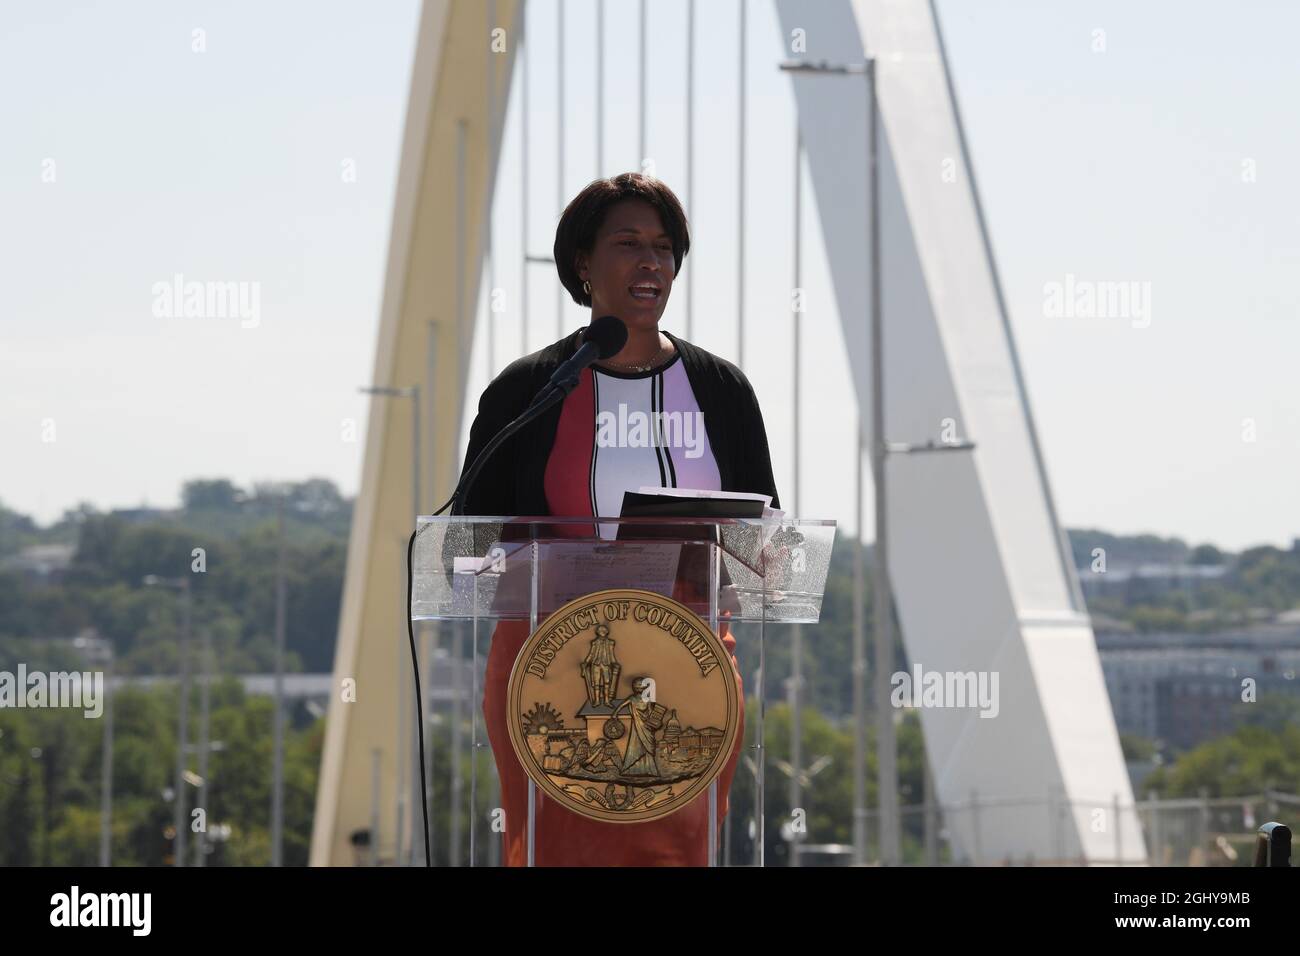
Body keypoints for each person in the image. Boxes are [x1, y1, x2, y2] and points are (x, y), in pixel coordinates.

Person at [460, 172, 781, 866]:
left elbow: (763, 543)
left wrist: (764, 561)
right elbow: (468, 551)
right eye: (628, 244)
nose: (650, 264)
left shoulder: (721, 391)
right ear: (583, 263)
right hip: (550, 671)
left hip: (689, 675)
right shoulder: (529, 390)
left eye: (664, 248)